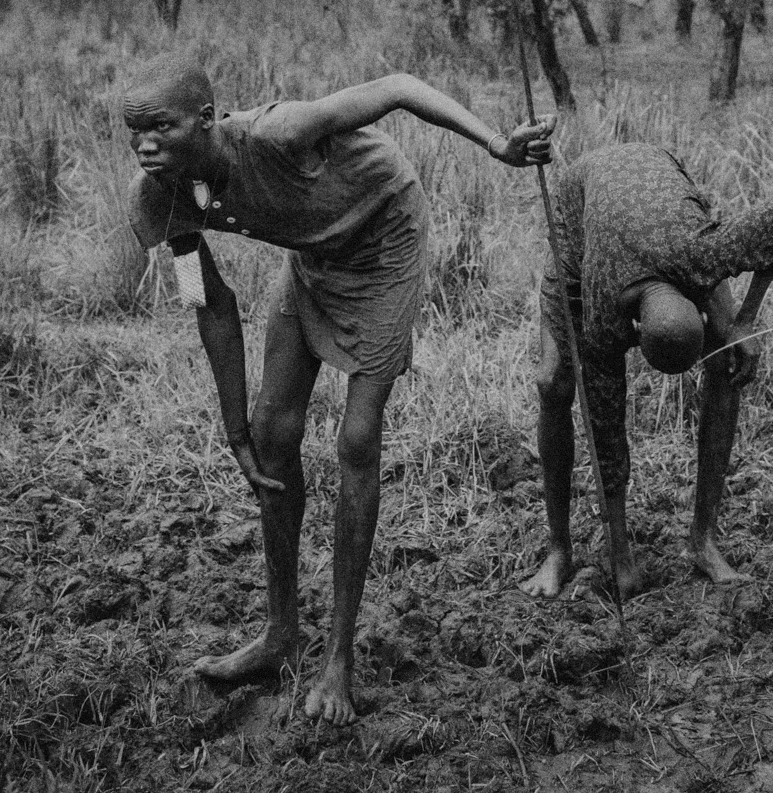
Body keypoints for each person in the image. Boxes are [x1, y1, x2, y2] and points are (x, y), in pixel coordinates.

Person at [122, 55, 553, 724]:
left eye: (161, 128)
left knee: (356, 439)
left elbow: (399, 87)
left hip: (385, 241)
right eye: (135, 131)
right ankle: (280, 635)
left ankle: (339, 658)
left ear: (205, 120)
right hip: (317, 256)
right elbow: (209, 301)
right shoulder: (161, 195)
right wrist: (235, 429)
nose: (146, 145)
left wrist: (499, 144)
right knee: (272, 435)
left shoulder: (281, 133)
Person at [520, 143, 773, 601]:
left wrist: (744, 323)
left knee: (728, 358)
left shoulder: (704, 254)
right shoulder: (604, 308)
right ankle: (559, 550)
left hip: (667, 206)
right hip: (584, 217)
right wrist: (620, 557)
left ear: (694, 298)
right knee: (553, 382)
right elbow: (606, 426)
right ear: (633, 328)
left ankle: (704, 541)